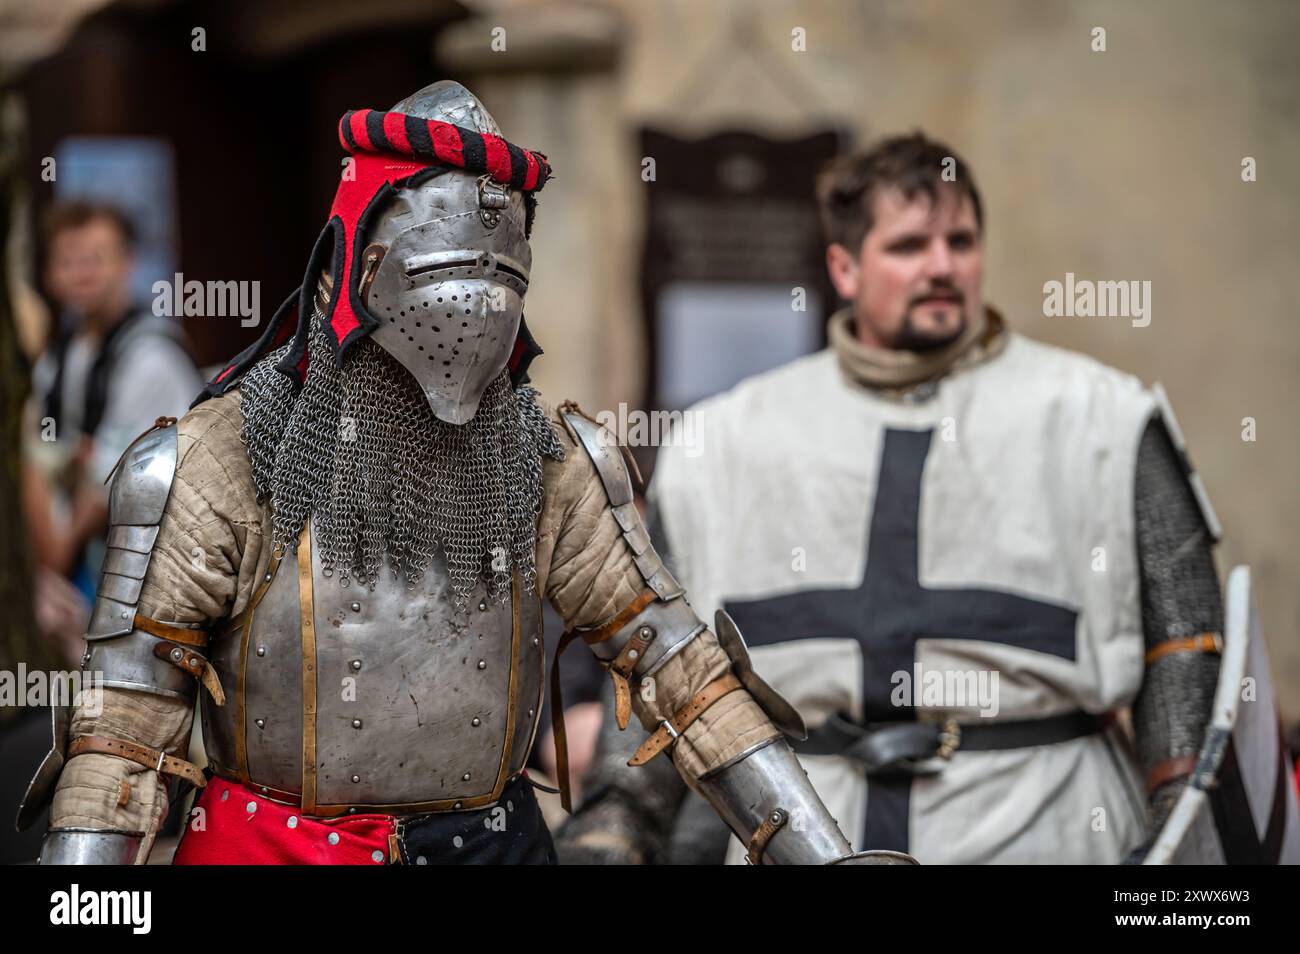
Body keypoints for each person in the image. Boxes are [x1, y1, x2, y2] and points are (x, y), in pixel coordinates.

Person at [18, 82, 911, 866]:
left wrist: (824, 856)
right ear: (361, 269)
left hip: (492, 848)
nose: (468, 324)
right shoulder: (217, 458)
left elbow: (686, 675)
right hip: (278, 851)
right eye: (450, 282)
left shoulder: (551, 461)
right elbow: (123, 734)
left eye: (494, 283)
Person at [564, 132, 1233, 864]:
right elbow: (661, 659)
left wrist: (1177, 822)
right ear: (844, 268)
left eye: (961, 240)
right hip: (805, 829)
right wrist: (617, 820)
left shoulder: (1100, 418)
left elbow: (1184, 648)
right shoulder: (720, 443)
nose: (943, 265)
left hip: (1047, 825)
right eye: (911, 245)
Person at [28, 201, 201, 590]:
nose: (81, 273)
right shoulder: (58, 357)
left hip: (151, 567)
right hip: (83, 558)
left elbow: (114, 481)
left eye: (96, 258)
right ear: (50, 274)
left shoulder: (153, 356)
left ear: (128, 262)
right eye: (68, 261)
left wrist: (55, 556)